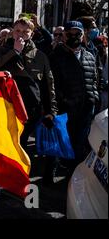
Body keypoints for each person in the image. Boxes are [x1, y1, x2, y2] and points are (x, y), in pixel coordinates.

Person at [0, 17, 58, 201]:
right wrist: (14, 52)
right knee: (5, 147)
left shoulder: (40, 56)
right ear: (12, 31)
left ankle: (18, 180)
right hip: (5, 108)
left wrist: (51, 110)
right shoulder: (2, 50)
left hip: (30, 112)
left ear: (31, 34)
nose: (21, 35)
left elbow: (48, 85)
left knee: (21, 147)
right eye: (17, 31)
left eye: (25, 32)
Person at [49, 21, 99, 174]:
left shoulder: (89, 56)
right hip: (66, 108)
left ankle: (74, 170)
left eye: (77, 33)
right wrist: (62, 101)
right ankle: (58, 169)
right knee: (64, 141)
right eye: (70, 33)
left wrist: (94, 97)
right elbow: (52, 83)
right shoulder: (56, 56)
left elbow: (94, 79)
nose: (74, 36)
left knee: (80, 141)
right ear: (64, 35)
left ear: (83, 35)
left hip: (86, 108)